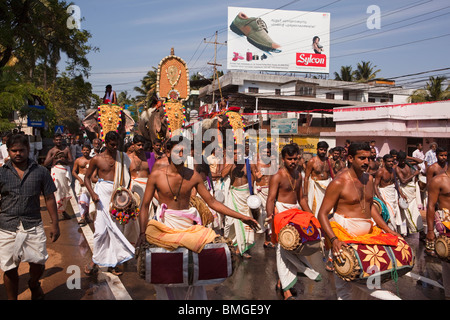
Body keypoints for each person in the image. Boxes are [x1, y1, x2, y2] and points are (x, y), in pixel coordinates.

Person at [136, 136, 259, 300]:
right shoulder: (156, 175)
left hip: (188, 227)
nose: (181, 154)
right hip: (165, 227)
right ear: (167, 151)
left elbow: (212, 202)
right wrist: (142, 233)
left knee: (193, 267)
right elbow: (144, 206)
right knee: (166, 271)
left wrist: (242, 217)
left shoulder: (193, 176)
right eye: (177, 150)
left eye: (184, 151)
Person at [317, 142, 401, 300]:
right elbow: (322, 213)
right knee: (346, 287)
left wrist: (388, 229)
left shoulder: (369, 179)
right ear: (350, 158)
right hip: (344, 237)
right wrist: (334, 239)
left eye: (368, 158)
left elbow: (371, 208)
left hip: (367, 238)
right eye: (362, 158)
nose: (367, 162)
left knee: (369, 282)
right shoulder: (338, 182)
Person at [0, 134, 60, 300]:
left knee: (38, 263)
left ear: (28, 150)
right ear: (8, 151)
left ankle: (33, 283)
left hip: (32, 223)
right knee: (9, 268)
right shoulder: (1, 173)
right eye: (14, 150)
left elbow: (49, 198)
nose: (18, 153)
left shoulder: (40, 172)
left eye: (21, 150)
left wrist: (55, 223)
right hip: (6, 225)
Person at [266, 143, 321, 300]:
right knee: (282, 249)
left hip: (295, 212)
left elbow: (302, 198)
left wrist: (311, 217)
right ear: (283, 159)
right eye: (290, 159)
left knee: (294, 247)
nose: (293, 162)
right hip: (281, 214)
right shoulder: (277, 176)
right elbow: (270, 198)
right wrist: (271, 215)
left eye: (296, 159)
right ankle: (286, 290)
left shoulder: (299, 175)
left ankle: (281, 281)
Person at [83, 131, 135, 276]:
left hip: (118, 195)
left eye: (117, 144)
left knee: (116, 230)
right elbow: (87, 178)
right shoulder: (97, 159)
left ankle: (113, 264)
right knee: (100, 231)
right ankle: (95, 260)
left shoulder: (123, 158)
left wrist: (126, 194)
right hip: (101, 195)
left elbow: (129, 176)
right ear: (106, 143)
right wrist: (93, 194)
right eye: (112, 144)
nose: (115, 147)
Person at [222, 143, 256, 258]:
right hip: (234, 195)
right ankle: (233, 245)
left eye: (239, 153)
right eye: (234, 154)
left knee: (246, 221)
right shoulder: (231, 165)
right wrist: (231, 163)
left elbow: (255, 179)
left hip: (246, 196)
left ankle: (244, 249)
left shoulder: (249, 164)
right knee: (231, 222)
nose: (237, 156)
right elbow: (222, 174)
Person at [426, 162, 450, 299]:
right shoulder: (438, 181)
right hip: (446, 224)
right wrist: (430, 231)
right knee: (447, 262)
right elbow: (430, 206)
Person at [251, 142, 276, 248]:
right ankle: (251, 239)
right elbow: (252, 178)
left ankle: (267, 240)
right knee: (258, 214)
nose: (266, 154)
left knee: (270, 215)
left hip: (269, 191)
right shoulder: (255, 163)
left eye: (268, 152)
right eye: (264, 152)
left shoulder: (272, 162)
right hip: (259, 191)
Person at [375, 154, 407, 236]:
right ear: (384, 162)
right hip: (385, 194)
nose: (391, 163)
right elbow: (375, 186)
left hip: (393, 194)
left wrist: (401, 193)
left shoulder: (393, 170)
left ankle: (393, 232)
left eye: (392, 161)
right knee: (389, 215)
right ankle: (389, 233)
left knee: (395, 214)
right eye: (389, 161)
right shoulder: (380, 171)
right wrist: (380, 199)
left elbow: (395, 183)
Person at [43, 133, 73, 220]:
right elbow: (45, 163)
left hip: (64, 172)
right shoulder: (52, 151)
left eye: (60, 139)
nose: (58, 141)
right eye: (57, 140)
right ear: (54, 141)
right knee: (57, 191)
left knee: (64, 191)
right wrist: (53, 156)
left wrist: (65, 160)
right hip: (56, 172)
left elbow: (71, 161)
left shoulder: (66, 149)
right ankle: (55, 215)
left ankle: (63, 211)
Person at [127, 134, 150, 242]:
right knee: (136, 213)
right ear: (133, 145)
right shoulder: (127, 158)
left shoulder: (149, 157)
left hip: (148, 186)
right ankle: (136, 238)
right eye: (139, 145)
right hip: (134, 187)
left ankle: (149, 235)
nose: (141, 147)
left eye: (142, 145)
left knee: (151, 212)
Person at [395, 151, 424, 236]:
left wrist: (409, 157)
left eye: (404, 160)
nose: (403, 162)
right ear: (398, 160)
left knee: (416, 212)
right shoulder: (398, 168)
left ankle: (420, 230)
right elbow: (403, 181)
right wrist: (413, 174)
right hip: (406, 190)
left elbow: (420, 161)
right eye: (401, 160)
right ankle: (409, 230)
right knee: (408, 212)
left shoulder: (408, 163)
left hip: (413, 190)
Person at [304, 141, 333, 217]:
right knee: (315, 209)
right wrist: (305, 194)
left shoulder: (329, 161)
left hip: (326, 188)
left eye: (325, 150)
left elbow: (332, 175)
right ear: (317, 149)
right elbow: (306, 177)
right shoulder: (312, 161)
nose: (323, 152)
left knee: (327, 209)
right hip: (315, 188)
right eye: (321, 149)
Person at [72, 144, 94, 226]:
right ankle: (82, 217)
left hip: (90, 180)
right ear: (81, 151)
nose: (85, 152)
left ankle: (87, 216)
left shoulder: (93, 160)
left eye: (87, 150)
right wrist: (80, 179)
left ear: (90, 151)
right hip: (81, 180)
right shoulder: (78, 160)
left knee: (89, 198)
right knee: (82, 199)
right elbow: (73, 171)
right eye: (84, 150)